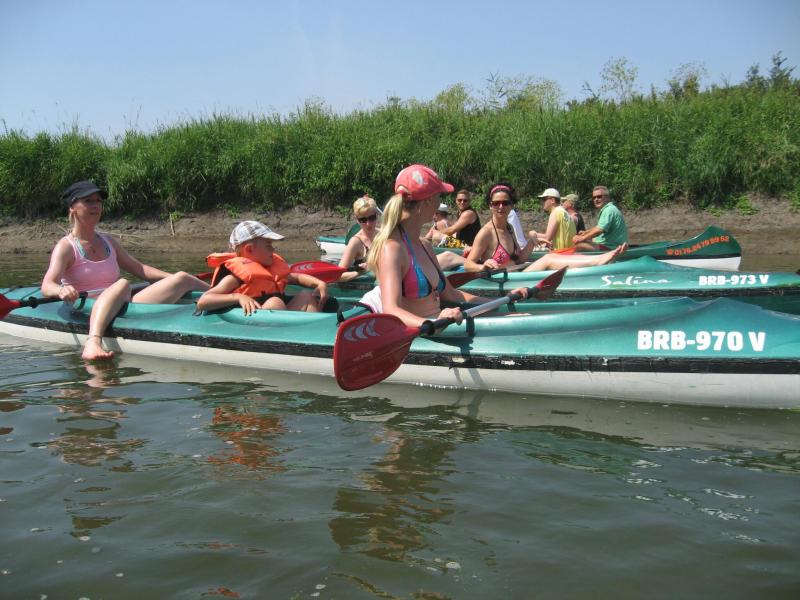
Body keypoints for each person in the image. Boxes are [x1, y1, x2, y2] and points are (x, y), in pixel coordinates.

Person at [41, 180, 209, 361]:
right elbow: (47, 285)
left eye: (98, 201)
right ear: (72, 207)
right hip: (88, 308)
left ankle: (224, 294)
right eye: (88, 201)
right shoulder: (66, 247)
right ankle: (93, 342)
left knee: (183, 278)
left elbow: (140, 269)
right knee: (122, 284)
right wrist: (61, 290)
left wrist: (170, 278)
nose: (96, 205)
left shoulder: (108, 241)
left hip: (121, 303)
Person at [363, 165, 529, 328]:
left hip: (441, 326)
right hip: (423, 334)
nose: (440, 203)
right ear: (428, 201)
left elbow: (450, 294)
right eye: (439, 196)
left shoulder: (425, 246)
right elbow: (391, 310)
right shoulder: (392, 249)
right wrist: (433, 324)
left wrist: (501, 302)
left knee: (520, 320)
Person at [464, 183, 627, 273]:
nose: (501, 207)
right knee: (549, 258)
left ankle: (600, 259)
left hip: (517, 273)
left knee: (553, 255)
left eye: (505, 203)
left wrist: (532, 242)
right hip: (504, 279)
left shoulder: (509, 227)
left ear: (511, 205)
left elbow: (519, 259)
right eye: (496, 203)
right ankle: (598, 260)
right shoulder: (486, 233)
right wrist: (482, 266)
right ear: (490, 205)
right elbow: (468, 265)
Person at [196, 220, 328, 315]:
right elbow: (203, 301)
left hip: (279, 318)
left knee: (306, 295)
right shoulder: (235, 278)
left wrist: (319, 283)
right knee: (275, 302)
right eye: (268, 245)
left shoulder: (270, 270)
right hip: (252, 323)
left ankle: (314, 332)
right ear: (250, 249)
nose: (273, 249)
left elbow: (296, 277)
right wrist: (238, 297)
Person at [337, 195, 380, 282]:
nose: (368, 224)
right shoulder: (355, 242)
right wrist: (361, 272)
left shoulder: (384, 234)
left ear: (377, 215)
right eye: (363, 220)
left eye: (372, 218)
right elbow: (338, 276)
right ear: (357, 219)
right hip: (366, 287)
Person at [573, 185, 629, 250]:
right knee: (577, 239)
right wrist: (586, 232)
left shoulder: (609, 210)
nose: (596, 199)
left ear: (607, 198)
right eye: (594, 197)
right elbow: (599, 226)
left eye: (599, 197)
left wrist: (583, 238)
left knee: (579, 244)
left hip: (612, 247)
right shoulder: (608, 209)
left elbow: (599, 230)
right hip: (608, 245)